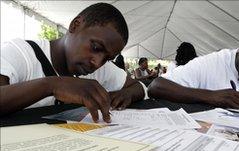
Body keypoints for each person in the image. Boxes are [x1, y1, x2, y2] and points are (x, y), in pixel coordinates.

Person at [0, 3, 146, 123]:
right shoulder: (22, 53)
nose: (97, 62)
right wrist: (53, 85)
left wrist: (127, 94)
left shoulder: (100, 69)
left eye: (107, 58)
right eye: (96, 48)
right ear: (75, 25)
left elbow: (139, 87)